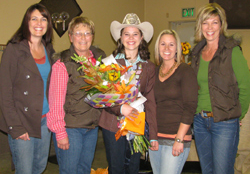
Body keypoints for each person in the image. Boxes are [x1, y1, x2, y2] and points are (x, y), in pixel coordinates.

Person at [190, 3, 250, 174]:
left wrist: (238, 113)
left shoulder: (232, 51)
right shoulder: (196, 54)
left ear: (222, 25)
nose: (209, 27)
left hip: (224, 123)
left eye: (214, 22)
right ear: (200, 26)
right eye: (205, 23)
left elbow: (245, 87)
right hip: (200, 122)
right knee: (207, 171)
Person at [98, 13, 158, 174]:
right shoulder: (109, 64)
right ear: (120, 37)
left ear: (142, 37)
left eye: (135, 34)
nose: (131, 38)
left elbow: (151, 101)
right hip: (112, 124)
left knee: (133, 168)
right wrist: (120, 109)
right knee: (116, 168)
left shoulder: (149, 67)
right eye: (126, 34)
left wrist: (152, 134)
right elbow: (102, 96)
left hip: (136, 123)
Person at [46, 16, 106, 174]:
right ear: (70, 37)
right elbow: (55, 101)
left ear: (92, 36)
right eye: (78, 33)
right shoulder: (63, 63)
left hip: (91, 127)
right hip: (71, 129)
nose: (83, 38)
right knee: (69, 171)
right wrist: (60, 132)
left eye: (87, 33)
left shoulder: (99, 61)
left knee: (85, 170)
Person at [0, 3, 54, 174]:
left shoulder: (49, 49)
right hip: (22, 120)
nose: (39, 23)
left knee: (39, 167)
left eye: (43, 19)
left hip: (45, 119)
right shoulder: (14, 49)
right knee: (24, 170)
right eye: (34, 18)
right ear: (27, 22)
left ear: (48, 24)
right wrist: (15, 127)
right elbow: (4, 92)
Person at [148, 29, 198, 174]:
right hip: (156, 138)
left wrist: (179, 139)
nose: (167, 48)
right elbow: (151, 105)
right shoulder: (154, 71)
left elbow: (190, 107)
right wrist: (151, 136)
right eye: (163, 44)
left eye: (171, 44)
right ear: (158, 47)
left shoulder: (185, 71)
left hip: (176, 137)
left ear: (177, 48)